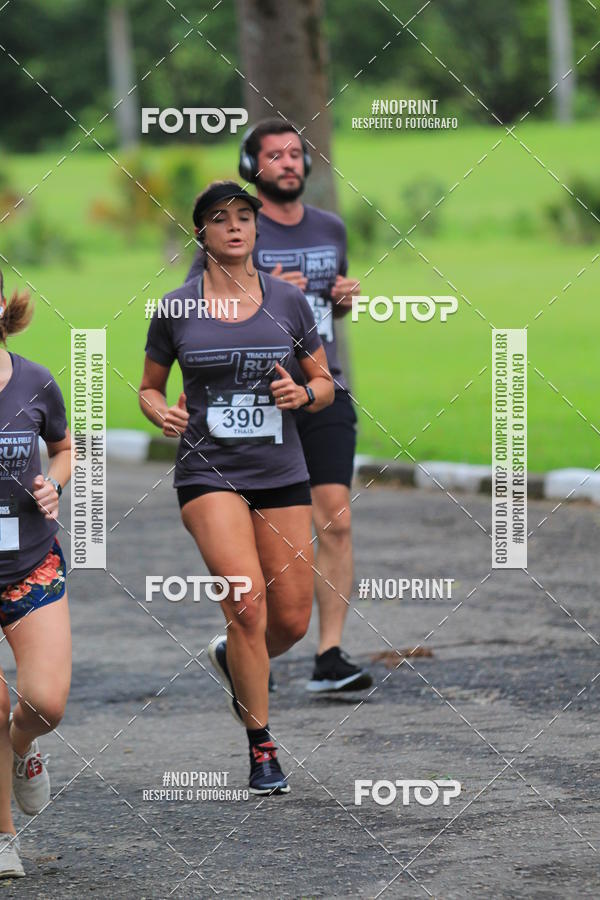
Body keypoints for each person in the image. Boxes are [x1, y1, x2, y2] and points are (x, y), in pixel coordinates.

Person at [139, 182, 334, 794]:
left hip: (281, 473)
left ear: (256, 228)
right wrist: (157, 413)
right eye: (220, 219)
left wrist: (302, 394)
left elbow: (326, 381)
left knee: (292, 621)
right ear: (202, 233)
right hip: (208, 473)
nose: (235, 227)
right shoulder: (176, 309)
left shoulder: (289, 302)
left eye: (245, 217)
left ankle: (231, 658)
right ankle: (262, 747)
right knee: (246, 604)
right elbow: (148, 386)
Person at [186, 120, 372, 693]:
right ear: (253, 166)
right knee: (268, 556)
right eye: (276, 156)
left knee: (335, 517)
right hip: (252, 397)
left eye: (297, 155)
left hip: (320, 387)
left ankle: (331, 653)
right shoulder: (239, 228)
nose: (289, 164)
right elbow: (197, 311)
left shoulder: (331, 227)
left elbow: (322, 315)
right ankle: (245, 642)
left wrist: (340, 299)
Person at [0, 271, 71, 878]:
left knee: (44, 704)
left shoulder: (35, 380)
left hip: (29, 559)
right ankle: (2, 838)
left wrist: (54, 480)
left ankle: (22, 748)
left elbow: (67, 447)